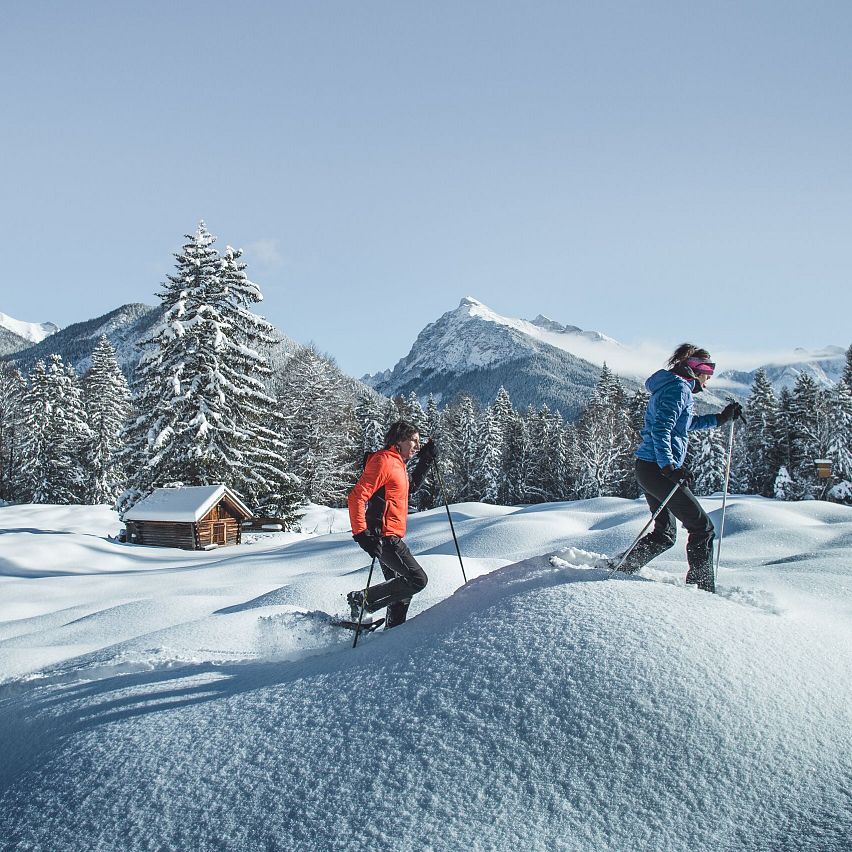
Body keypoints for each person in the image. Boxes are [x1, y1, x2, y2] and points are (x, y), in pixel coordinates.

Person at [616, 343, 742, 593]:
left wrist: (719, 419)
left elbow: (681, 425)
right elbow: (661, 429)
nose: (709, 376)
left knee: (665, 535)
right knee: (702, 527)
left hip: (648, 468)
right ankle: (702, 590)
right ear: (693, 368)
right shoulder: (678, 389)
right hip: (657, 469)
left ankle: (621, 566)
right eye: (707, 368)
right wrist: (669, 466)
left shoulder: (672, 386)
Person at [346, 420, 437, 629]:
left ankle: (392, 635)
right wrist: (362, 535)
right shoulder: (384, 461)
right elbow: (356, 497)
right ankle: (362, 600)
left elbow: (409, 488)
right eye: (413, 440)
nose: (417, 445)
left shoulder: (397, 464)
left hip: (389, 535)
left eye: (418, 442)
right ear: (399, 440)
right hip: (384, 537)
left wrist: (426, 460)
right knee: (417, 580)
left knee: (401, 591)